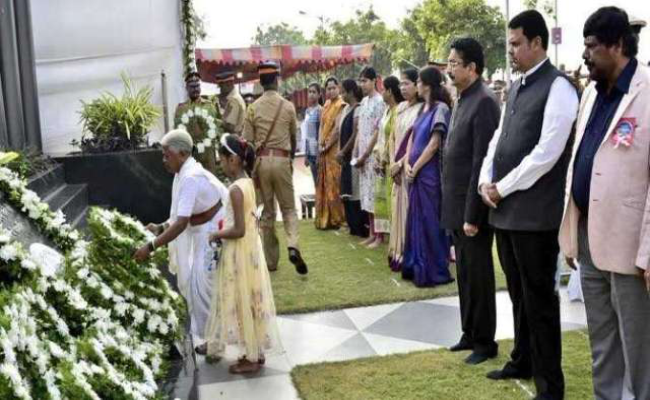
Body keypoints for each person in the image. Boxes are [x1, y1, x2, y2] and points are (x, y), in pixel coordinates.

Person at [478, 10, 579, 400]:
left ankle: (550, 386)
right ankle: (522, 358)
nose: (512, 51)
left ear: (538, 43)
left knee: (539, 301)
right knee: (518, 294)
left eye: (517, 43)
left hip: (535, 214)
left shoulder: (559, 87)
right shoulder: (517, 85)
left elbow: (547, 153)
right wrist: (487, 179)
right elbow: (498, 139)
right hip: (505, 211)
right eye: (510, 44)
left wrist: (501, 186)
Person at [560, 7, 650, 399]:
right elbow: (582, 158)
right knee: (602, 342)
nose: (585, 55)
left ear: (617, 45)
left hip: (631, 246)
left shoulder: (646, 93)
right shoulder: (592, 93)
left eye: (592, 46)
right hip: (590, 235)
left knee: (639, 348)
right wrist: (571, 231)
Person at [132, 129, 228, 353]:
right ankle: (216, 338)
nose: (164, 161)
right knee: (201, 285)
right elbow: (179, 215)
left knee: (202, 285)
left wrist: (151, 246)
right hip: (203, 229)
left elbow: (182, 222)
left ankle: (216, 341)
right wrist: (160, 227)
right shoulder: (182, 174)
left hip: (214, 230)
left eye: (167, 155)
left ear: (182, 154)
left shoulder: (190, 176)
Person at [442, 38, 500, 365]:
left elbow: (482, 163)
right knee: (464, 273)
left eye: (454, 63)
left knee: (478, 275)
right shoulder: (463, 99)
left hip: (472, 209)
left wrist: (473, 215)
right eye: (449, 62)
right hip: (455, 206)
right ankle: (469, 331)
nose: (449, 68)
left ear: (471, 68)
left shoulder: (485, 102)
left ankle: (485, 342)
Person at [205, 134, 282, 374]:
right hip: (249, 250)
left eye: (223, 160)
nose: (221, 164)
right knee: (250, 300)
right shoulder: (248, 183)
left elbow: (238, 229)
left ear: (234, 160)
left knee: (242, 301)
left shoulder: (236, 190)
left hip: (239, 252)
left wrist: (216, 235)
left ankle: (251, 357)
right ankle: (255, 352)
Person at [243, 61, 308, 274]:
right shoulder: (288, 106)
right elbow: (293, 138)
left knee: (268, 212)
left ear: (261, 82)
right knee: (289, 209)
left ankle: (271, 262)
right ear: (277, 80)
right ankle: (293, 245)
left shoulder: (252, 108)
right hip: (282, 161)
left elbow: (249, 142)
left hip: (262, 163)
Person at [401, 66, 454, 287]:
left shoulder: (440, 108)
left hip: (430, 175)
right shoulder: (423, 109)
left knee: (430, 220)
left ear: (428, 85)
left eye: (420, 82)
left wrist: (417, 166)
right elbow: (413, 138)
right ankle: (415, 265)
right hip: (415, 174)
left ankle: (433, 268)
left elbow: (434, 144)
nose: (417, 85)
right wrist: (406, 163)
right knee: (416, 219)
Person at [388, 69, 423, 270]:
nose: (403, 88)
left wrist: (400, 163)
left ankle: (409, 253)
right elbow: (393, 137)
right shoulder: (400, 108)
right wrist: (393, 162)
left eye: (407, 83)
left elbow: (414, 141)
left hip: (408, 166)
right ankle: (397, 252)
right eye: (401, 84)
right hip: (396, 168)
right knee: (397, 208)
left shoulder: (421, 109)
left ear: (417, 86)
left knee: (408, 209)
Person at [354, 66, 386, 246]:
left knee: (375, 193)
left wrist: (366, 153)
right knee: (366, 194)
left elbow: (377, 131)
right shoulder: (364, 102)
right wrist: (356, 151)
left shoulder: (379, 102)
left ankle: (380, 235)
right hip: (362, 156)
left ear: (374, 80)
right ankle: (372, 232)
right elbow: (360, 129)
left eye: (365, 80)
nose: (362, 84)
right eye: (361, 81)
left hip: (373, 155)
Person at [370, 76, 403, 248]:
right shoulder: (387, 111)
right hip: (381, 161)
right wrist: (377, 157)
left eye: (383, 89)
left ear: (390, 91)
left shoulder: (398, 110)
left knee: (392, 202)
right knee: (382, 200)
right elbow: (381, 136)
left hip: (390, 162)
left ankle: (395, 241)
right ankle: (382, 238)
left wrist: (384, 160)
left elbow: (393, 138)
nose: (382, 92)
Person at [337, 79, 369, 237]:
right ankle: (352, 226)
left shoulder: (358, 109)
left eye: (343, 91)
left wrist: (344, 151)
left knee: (355, 190)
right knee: (347, 191)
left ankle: (360, 227)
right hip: (344, 155)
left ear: (350, 92)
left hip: (353, 155)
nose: (341, 95)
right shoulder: (345, 109)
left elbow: (355, 132)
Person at [315, 77, 346, 230]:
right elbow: (322, 126)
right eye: (328, 88)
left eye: (334, 88)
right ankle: (325, 218)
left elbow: (337, 129)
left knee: (335, 183)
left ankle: (337, 218)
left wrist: (327, 145)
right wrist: (320, 142)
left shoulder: (341, 105)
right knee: (324, 182)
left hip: (334, 150)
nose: (331, 91)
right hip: (323, 149)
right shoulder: (326, 104)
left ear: (338, 88)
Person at [174, 72, 219, 174]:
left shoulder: (209, 106)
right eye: (192, 86)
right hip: (190, 156)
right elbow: (178, 132)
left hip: (207, 157)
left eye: (197, 86)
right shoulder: (181, 109)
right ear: (187, 88)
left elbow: (214, 130)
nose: (195, 89)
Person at [302, 82, 322, 184]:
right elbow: (306, 134)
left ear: (319, 94)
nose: (311, 94)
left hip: (317, 151)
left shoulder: (320, 110)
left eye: (314, 92)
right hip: (310, 151)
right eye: (309, 92)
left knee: (320, 182)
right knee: (315, 182)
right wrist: (306, 155)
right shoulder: (307, 111)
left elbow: (321, 133)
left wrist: (319, 154)